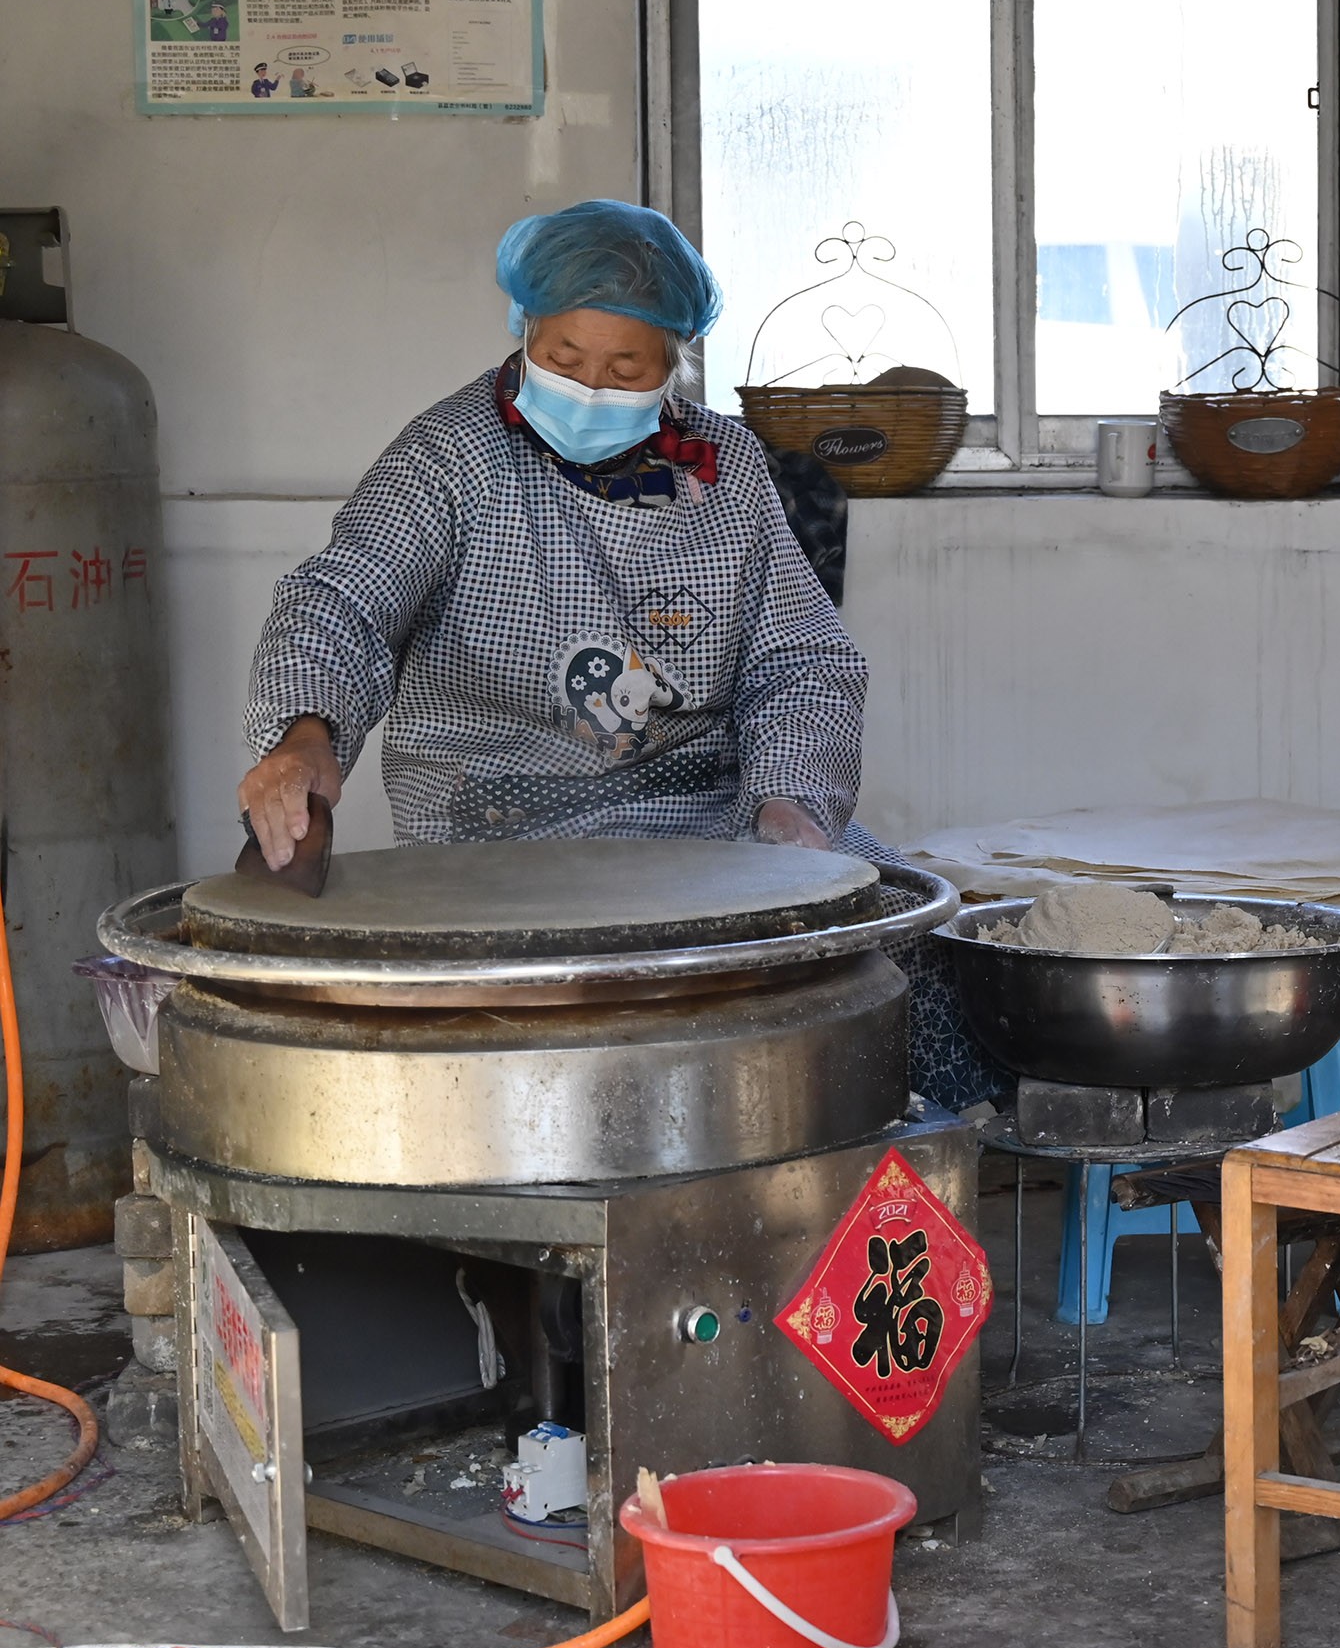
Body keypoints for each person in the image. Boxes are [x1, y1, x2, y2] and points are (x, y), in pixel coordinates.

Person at [237, 199, 991, 1104]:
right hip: (500, 833)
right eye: (563, 358)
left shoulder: (727, 467)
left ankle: (889, 1174)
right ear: (525, 330)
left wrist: (790, 803)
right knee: (604, 1023)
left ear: (675, 362)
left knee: (900, 939)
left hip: (712, 820)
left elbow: (801, 659)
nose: (591, 387)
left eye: (625, 366)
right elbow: (342, 599)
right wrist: (306, 732)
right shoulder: (450, 455)